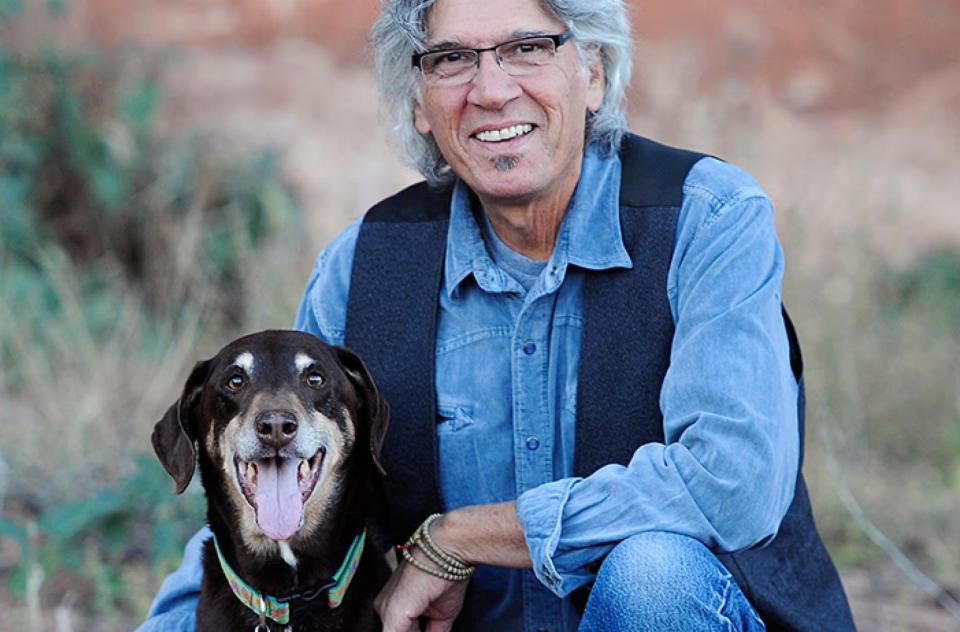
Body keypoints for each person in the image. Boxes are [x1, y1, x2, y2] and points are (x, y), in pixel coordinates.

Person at [139, 0, 856, 630]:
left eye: (527, 48)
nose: (490, 89)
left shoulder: (708, 219)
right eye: (450, 59)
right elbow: (281, 481)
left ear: (595, 72)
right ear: (419, 101)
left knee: (652, 578)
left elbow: (733, 485)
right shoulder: (364, 264)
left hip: (682, 615)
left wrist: (465, 536)